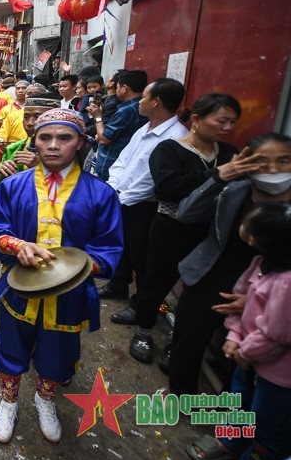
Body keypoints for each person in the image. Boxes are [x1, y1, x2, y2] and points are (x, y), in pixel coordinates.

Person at [0, 109, 123, 444]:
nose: (53, 145)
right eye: (45, 137)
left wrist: (79, 268)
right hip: (17, 291)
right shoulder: (13, 186)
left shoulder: (100, 194)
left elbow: (109, 248)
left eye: (65, 138)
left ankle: (45, 400)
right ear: (35, 141)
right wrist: (15, 245)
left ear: (81, 143)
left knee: (58, 354)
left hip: (69, 297)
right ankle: (8, 401)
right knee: (10, 347)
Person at [170, 133, 291, 396]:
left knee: (243, 361)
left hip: (271, 297)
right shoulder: (234, 189)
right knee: (186, 343)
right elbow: (186, 214)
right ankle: (181, 396)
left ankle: (232, 421)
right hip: (210, 277)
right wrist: (220, 176)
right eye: (262, 162)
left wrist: (259, 298)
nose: (273, 169)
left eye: (283, 161)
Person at [124, 94, 240, 366]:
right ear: (197, 120)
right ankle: (143, 331)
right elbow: (167, 188)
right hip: (171, 228)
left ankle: (178, 341)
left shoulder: (228, 153)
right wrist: (218, 176)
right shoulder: (170, 150)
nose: (227, 127)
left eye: (233, 122)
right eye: (222, 120)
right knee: (156, 280)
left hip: (212, 233)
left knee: (198, 289)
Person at [187, 201, 291, 460]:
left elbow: (276, 335)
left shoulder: (286, 284)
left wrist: (244, 351)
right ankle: (229, 441)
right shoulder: (259, 264)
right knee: (238, 402)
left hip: (277, 375)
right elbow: (241, 300)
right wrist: (234, 336)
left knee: (266, 422)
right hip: (247, 355)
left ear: (256, 239)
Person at [103, 79, 189, 328]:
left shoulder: (175, 137)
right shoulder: (145, 128)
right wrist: (113, 188)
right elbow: (123, 160)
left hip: (143, 206)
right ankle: (118, 284)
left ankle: (139, 305)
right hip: (122, 197)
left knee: (143, 260)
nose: (139, 101)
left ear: (156, 102)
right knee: (123, 247)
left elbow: (151, 181)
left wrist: (122, 197)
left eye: (144, 97)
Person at [0, 96, 59, 188]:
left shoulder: (67, 150)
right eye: (26, 117)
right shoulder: (15, 148)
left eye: (37, 117)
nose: (29, 123)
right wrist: (0, 173)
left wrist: (41, 167)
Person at [92, 70, 149, 180]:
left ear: (124, 88)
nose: (116, 91)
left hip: (111, 164)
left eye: (117, 87)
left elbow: (104, 139)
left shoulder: (126, 111)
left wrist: (97, 116)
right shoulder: (139, 106)